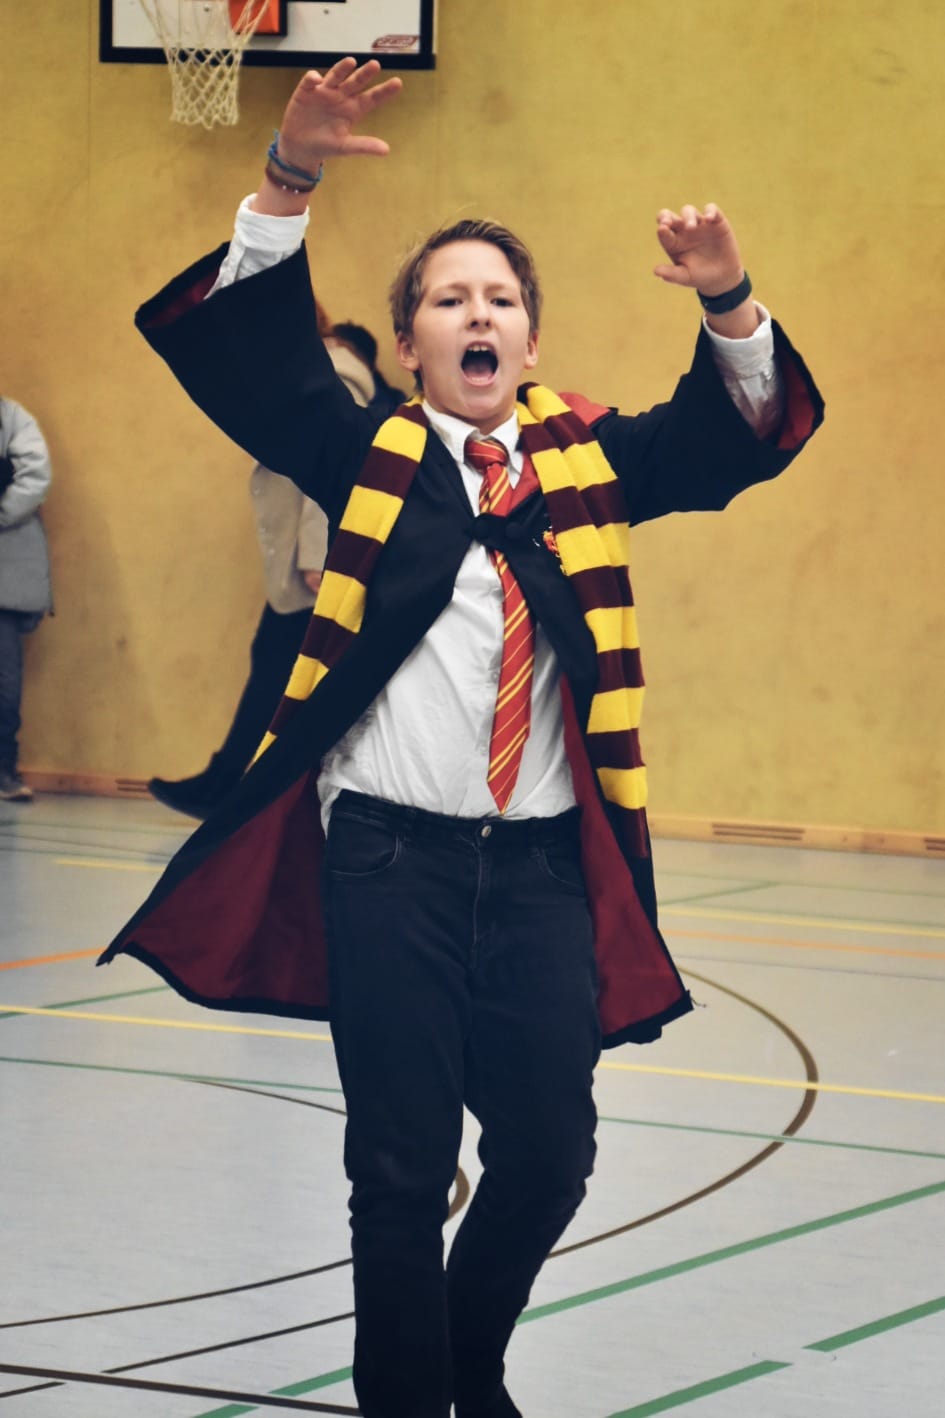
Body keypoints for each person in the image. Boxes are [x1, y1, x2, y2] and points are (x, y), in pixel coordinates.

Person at [100, 60, 824, 1418]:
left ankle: (465, 1361)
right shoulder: (362, 451)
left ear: (530, 343)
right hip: (386, 864)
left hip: (540, 870)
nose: (477, 312)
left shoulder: (591, 467)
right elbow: (247, 351)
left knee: (550, 1154)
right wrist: (290, 173)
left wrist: (728, 295)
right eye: (448, 298)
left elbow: (741, 431)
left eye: (500, 298)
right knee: (395, 1167)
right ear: (411, 344)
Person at [147, 322, 378, 819]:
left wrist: (316, 557)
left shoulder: (339, 382)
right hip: (312, 571)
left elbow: (331, 477)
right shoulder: (335, 382)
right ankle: (230, 784)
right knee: (275, 668)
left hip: (316, 571)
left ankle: (228, 787)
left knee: (277, 672)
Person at [0, 396, 53, 803]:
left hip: (6, 578)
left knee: (4, 680)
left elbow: (35, 476)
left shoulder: (11, 418)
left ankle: (3, 768)